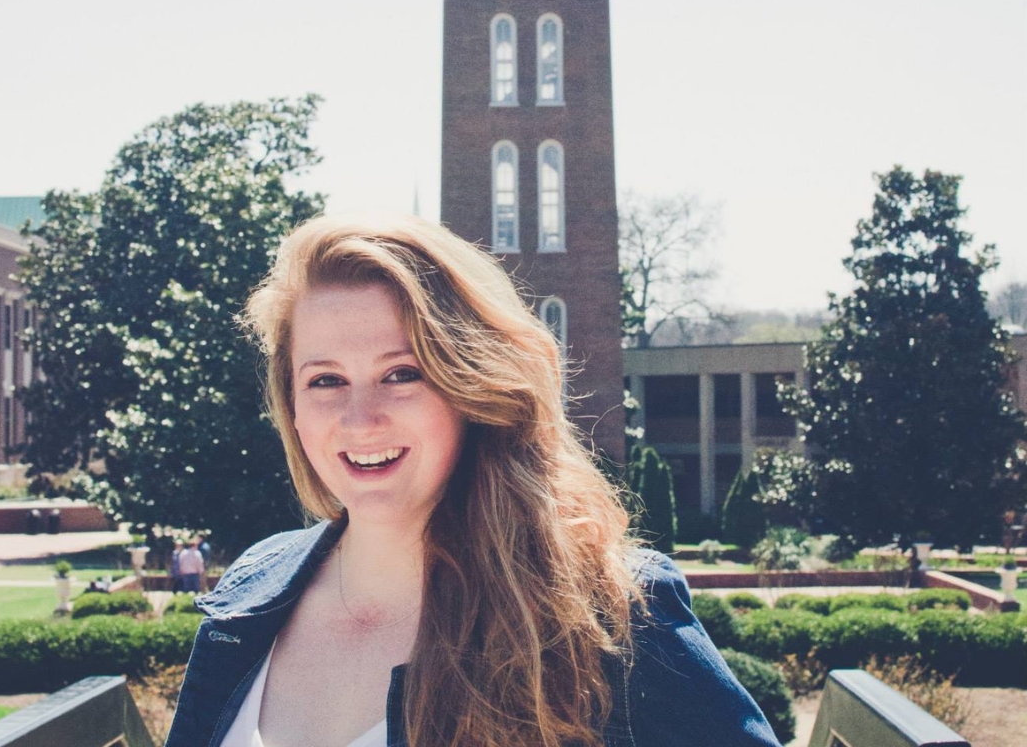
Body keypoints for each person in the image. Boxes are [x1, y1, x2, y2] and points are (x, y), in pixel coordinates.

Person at [166, 216, 781, 747]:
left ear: (472, 390)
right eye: (325, 380)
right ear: (291, 405)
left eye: (402, 373)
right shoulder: (252, 588)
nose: (361, 418)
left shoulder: (607, 612)